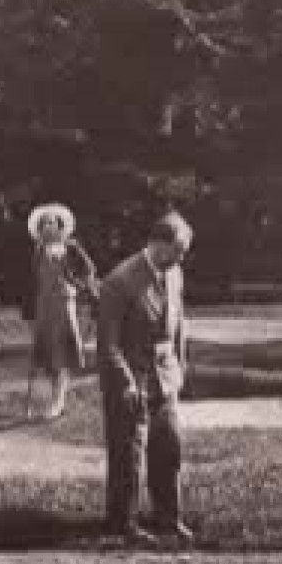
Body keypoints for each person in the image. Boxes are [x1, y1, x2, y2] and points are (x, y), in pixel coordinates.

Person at [95, 210, 194, 546]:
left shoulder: (175, 273)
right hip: (129, 380)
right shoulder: (119, 281)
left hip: (165, 377)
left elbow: (179, 321)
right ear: (158, 244)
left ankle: (169, 518)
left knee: (169, 446)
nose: (183, 257)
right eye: (179, 249)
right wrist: (125, 383)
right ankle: (123, 522)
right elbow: (107, 345)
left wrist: (181, 365)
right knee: (128, 454)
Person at [23, 203, 98, 421]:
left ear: (59, 226)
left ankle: (59, 401)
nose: (48, 226)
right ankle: (47, 401)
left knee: (61, 353)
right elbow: (32, 282)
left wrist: (77, 284)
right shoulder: (38, 250)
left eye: (52, 223)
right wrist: (29, 312)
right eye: (44, 223)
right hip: (43, 305)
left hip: (64, 304)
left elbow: (89, 270)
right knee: (45, 354)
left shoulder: (71, 247)